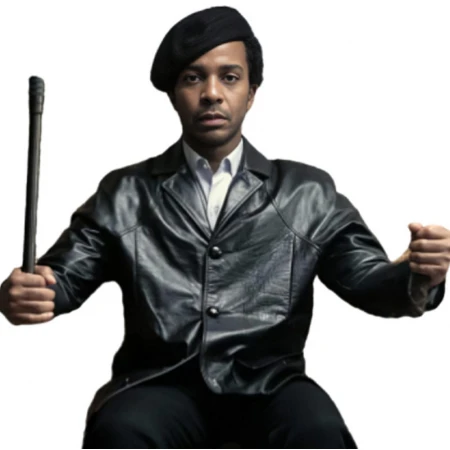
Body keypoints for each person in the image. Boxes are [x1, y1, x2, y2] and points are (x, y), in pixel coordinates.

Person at [0, 6, 448, 449]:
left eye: (229, 77)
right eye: (193, 78)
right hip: (160, 383)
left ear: (251, 92)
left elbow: (370, 282)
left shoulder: (306, 192)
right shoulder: (126, 193)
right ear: (174, 94)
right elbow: (61, 278)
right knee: (122, 430)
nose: (212, 93)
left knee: (317, 430)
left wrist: (419, 275)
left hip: (270, 385)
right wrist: (28, 292)